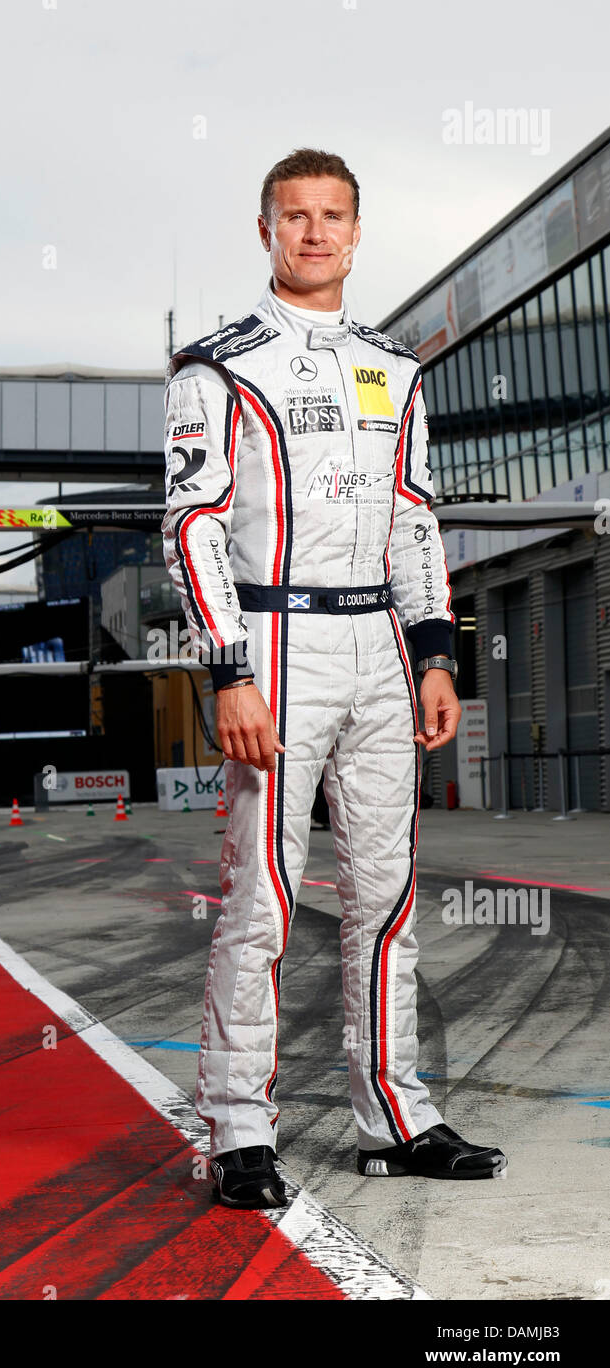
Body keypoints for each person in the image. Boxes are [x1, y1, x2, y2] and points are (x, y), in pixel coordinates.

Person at [162, 148, 506, 1209]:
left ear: (358, 231)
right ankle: (236, 1131)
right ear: (263, 229)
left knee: (385, 899)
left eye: (332, 217)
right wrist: (227, 669)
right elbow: (190, 525)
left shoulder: (396, 368)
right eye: (294, 216)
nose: (314, 233)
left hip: (378, 654)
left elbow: (414, 521)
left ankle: (393, 1114)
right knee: (260, 903)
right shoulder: (215, 367)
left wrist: (436, 654)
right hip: (269, 645)